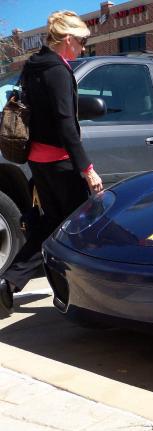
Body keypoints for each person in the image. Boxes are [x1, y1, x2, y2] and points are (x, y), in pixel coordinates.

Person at [0, 11, 103, 313]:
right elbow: (65, 124)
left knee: (52, 226)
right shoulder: (58, 70)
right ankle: (87, 294)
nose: (84, 48)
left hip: (38, 160)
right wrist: (88, 169)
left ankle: (9, 282)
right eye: (82, 42)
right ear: (68, 39)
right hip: (60, 163)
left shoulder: (33, 65)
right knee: (78, 227)